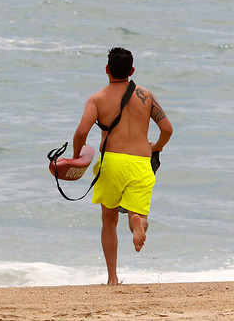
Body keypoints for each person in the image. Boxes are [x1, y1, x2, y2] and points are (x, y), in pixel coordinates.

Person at [72, 47, 173, 286]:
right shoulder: (146, 95)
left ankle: (112, 278)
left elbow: (81, 132)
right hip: (140, 161)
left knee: (109, 219)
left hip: (112, 162)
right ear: (132, 70)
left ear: (107, 69)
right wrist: (156, 147)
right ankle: (138, 222)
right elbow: (167, 129)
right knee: (139, 212)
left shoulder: (97, 98)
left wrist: (76, 156)